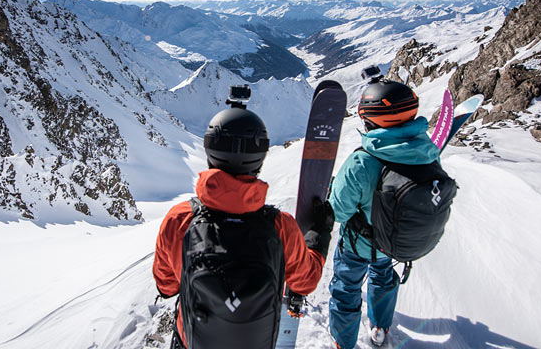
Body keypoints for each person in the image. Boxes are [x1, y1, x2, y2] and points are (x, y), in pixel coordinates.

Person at [153, 103, 334, 349]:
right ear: (259, 160)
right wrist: (319, 236)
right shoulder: (281, 227)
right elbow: (306, 281)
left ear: (209, 154)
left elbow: (166, 286)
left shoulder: (180, 219)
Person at [327, 79, 440, 349]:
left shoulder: (362, 162)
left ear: (372, 121)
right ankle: (380, 326)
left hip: (358, 244)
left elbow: (338, 211)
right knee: (383, 276)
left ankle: (343, 341)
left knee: (346, 288)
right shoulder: (428, 151)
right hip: (392, 241)